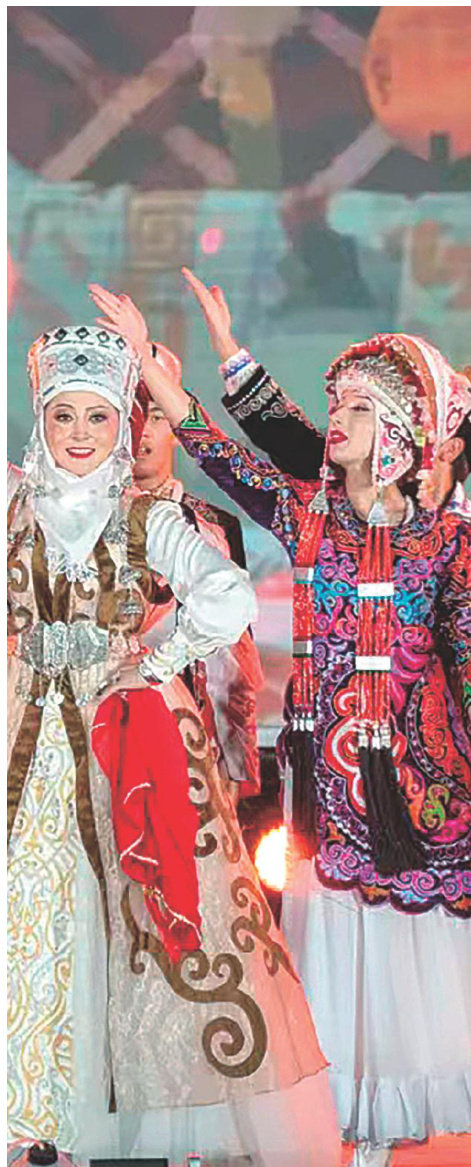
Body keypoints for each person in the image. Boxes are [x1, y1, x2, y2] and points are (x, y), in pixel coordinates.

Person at [89, 280, 471, 1167]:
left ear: (402, 431)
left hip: (420, 788)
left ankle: (386, 1128)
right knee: (328, 948)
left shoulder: (449, 545)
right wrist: (146, 356)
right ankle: (343, 1124)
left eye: (359, 408)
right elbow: (215, 448)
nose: (336, 419)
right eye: (336, 404)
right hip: (325, 789)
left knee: (404, 961)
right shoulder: (305, 515)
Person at [7, 323, 341, 1167]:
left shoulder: (144, 514)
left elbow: (225, 594)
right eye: (63, 415)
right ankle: (33, 1110)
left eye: (97, 416)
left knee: (133, 921)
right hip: (28, 736)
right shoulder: (15, 508)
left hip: (123, 742)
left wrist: (152, 659)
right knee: (35, 909)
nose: (79, 434)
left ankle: (103, 1119)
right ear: (41, 419)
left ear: (121, 424)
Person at [131, 378, 263, 805]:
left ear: (175, 426)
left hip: (194, 731)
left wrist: (237, 760)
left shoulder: (215, 525)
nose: (143, 430)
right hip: (112, 718)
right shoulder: (82, 517)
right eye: (132, 416)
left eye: (156, 416)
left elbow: (236, 653)